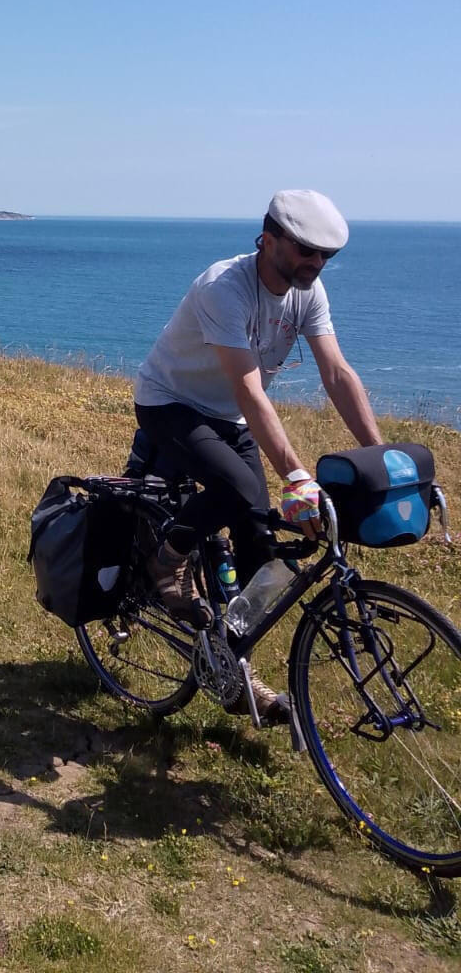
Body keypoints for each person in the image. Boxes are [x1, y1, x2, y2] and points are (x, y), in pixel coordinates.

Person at [132, 189, 383, 724]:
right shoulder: (224, 287)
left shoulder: (307, 293)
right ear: (267, 240)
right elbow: (249, 389)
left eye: (326, 255)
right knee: (239, 491)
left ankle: (229, 664)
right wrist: (296, 474)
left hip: (230, 417)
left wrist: (381, 455)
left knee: (260, 548)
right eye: (306, 250)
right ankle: (167, 559)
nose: (316, 263)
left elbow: (336, 373)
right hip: (171, 404)